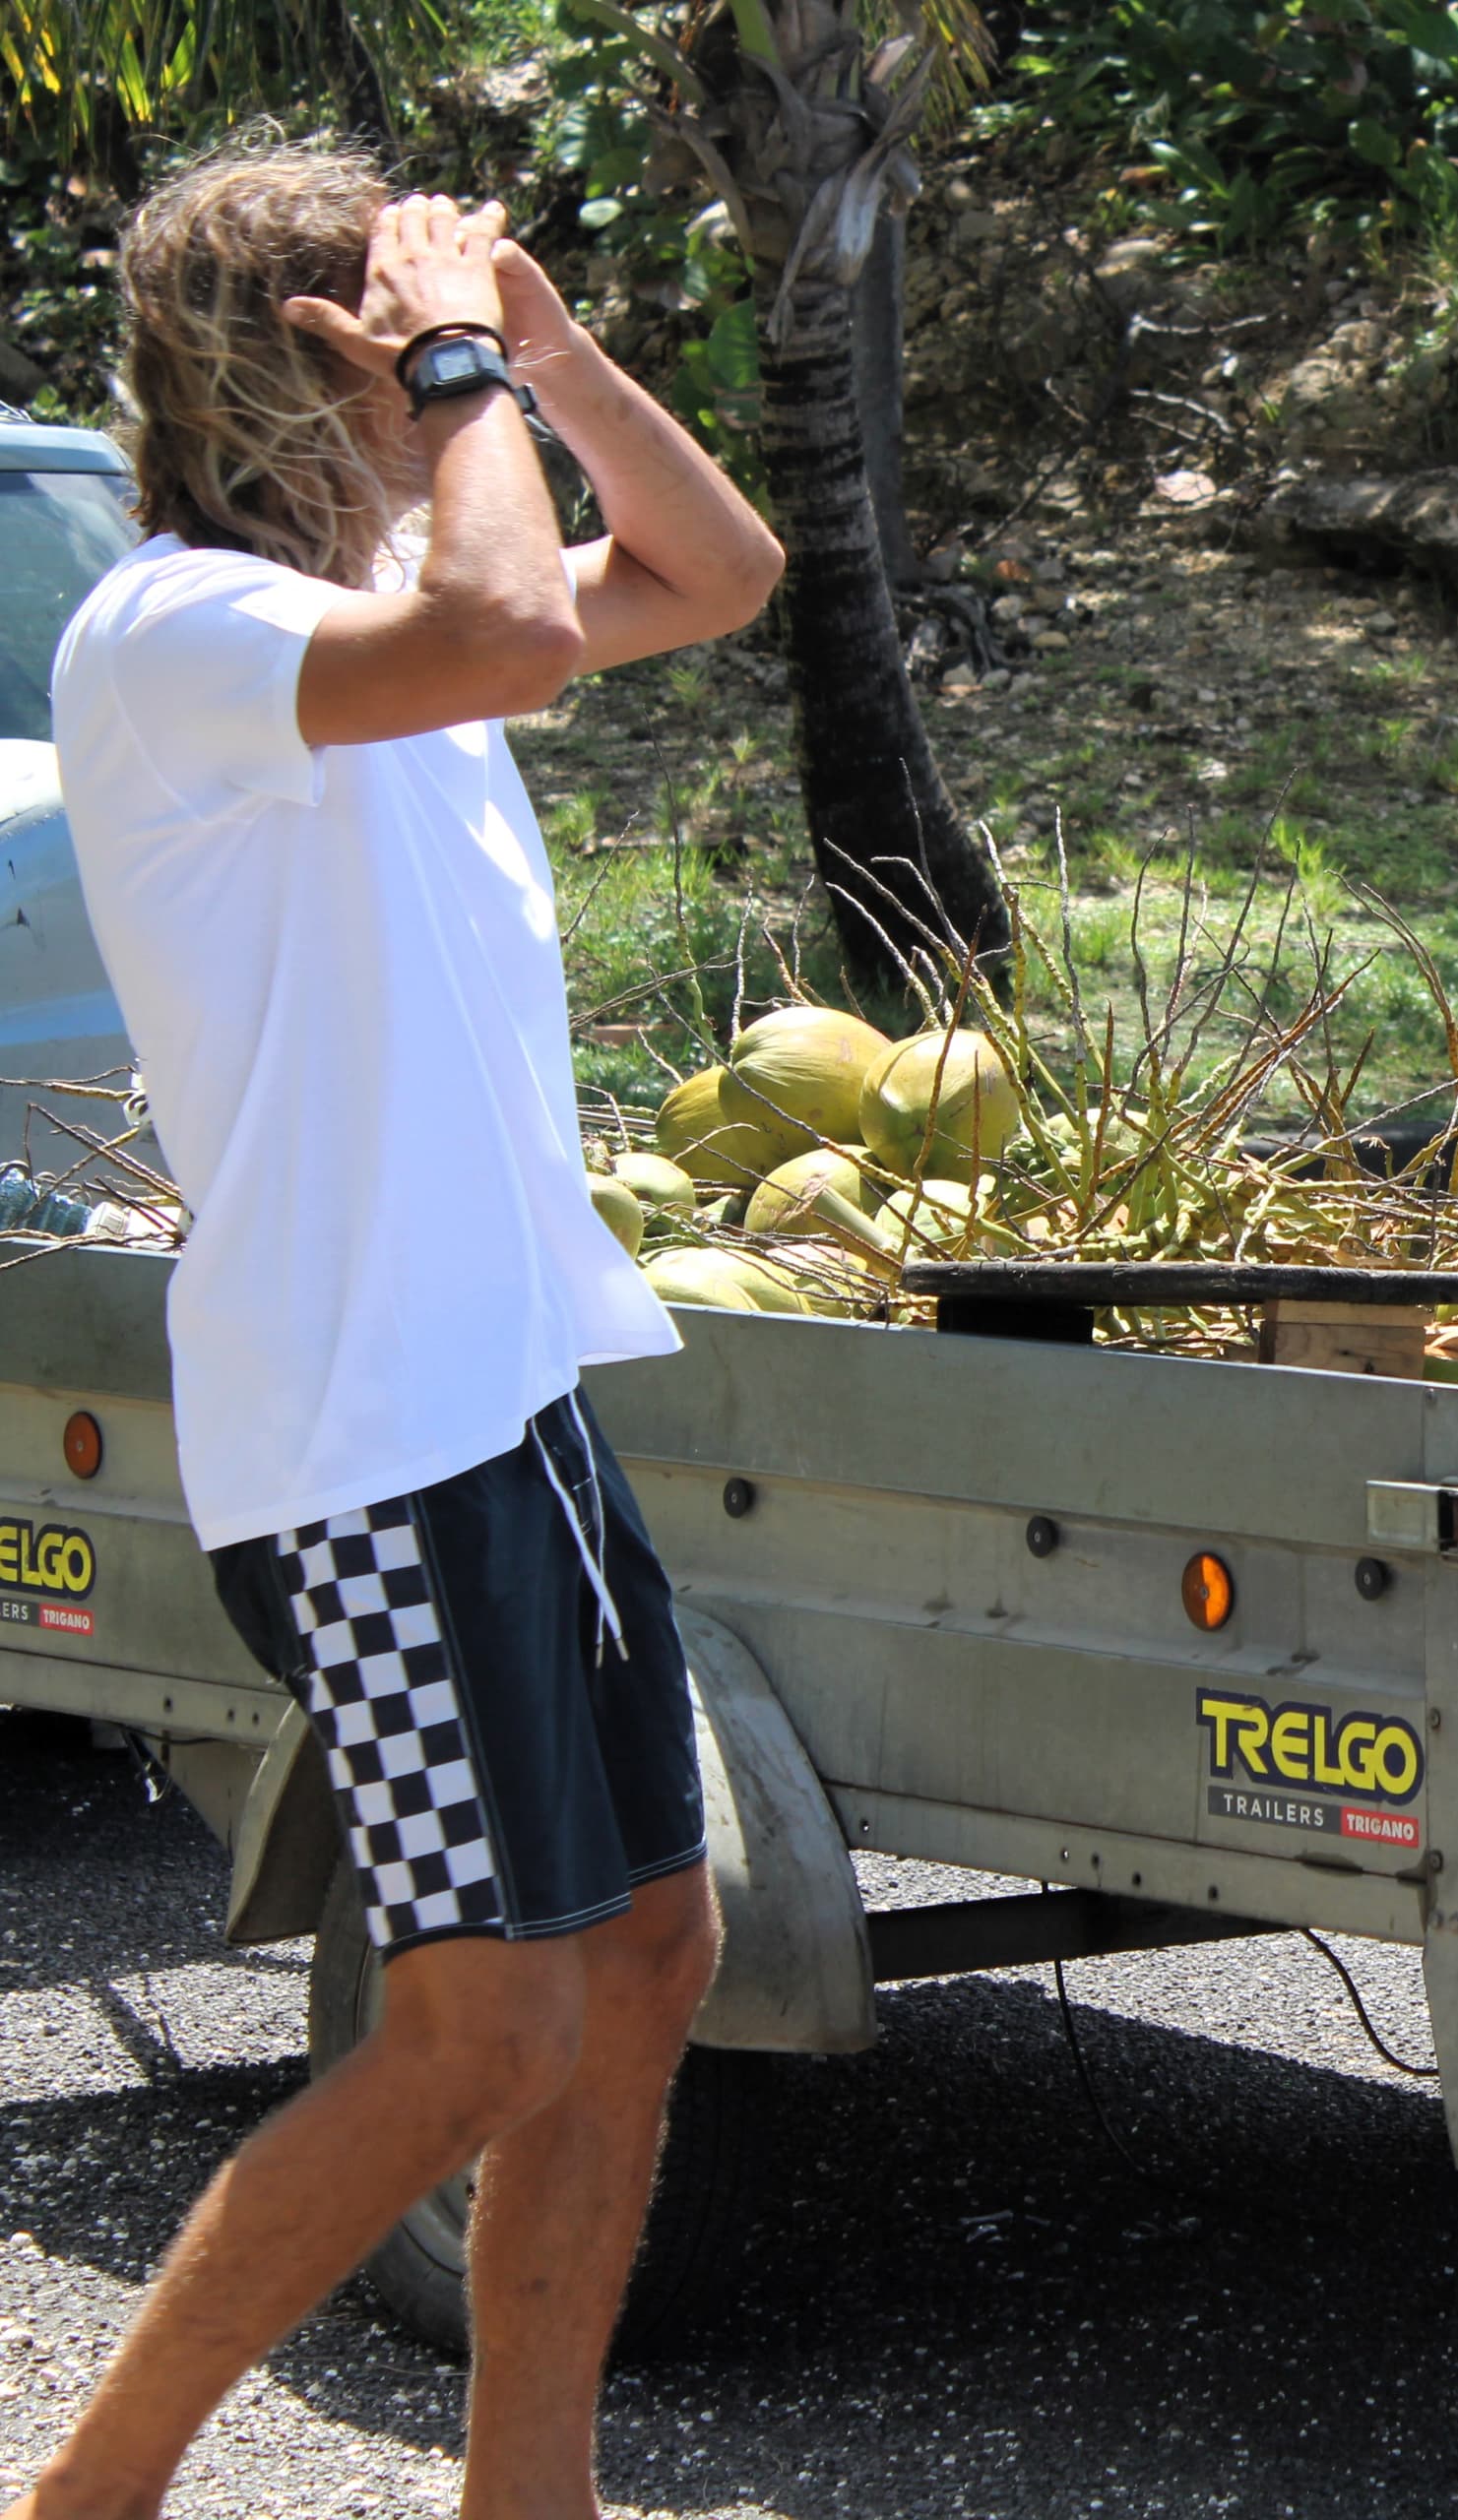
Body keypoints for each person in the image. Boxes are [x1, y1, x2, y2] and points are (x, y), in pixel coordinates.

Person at [17, 136, 780, 2520]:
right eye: (407, 328)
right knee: (482, 2020)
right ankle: (90, 2491)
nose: (450, 373)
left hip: (513, 1395)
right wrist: (456, 375)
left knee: (649, 1952)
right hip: (362, 1437)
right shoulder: (182, 638)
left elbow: (714, 574)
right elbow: (524, 631)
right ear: (303, 363)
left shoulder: (380, 609)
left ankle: (519, 2495)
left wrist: (536, 351)